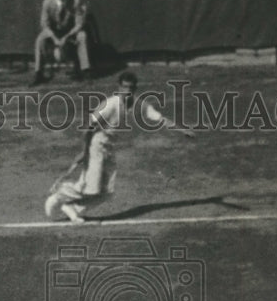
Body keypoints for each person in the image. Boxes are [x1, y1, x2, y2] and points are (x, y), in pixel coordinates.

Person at [44, 71, 193, 223]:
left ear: (135, 89)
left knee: (107, 192)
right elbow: (89, 126)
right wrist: (85, 150)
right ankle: (57, 196)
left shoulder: (139, 104)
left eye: (130, 88)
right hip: (96, 145)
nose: (127, 91)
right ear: (119, 87)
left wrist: (181, 129)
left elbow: (160, 118)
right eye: (124, 87)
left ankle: (73, 209)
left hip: (109, 149)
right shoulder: (110, 104)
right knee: (90, 187)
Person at [32, 0, 91, 85]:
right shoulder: (47, 2)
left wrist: (66, 37)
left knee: (82, 35)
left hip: (69, 31)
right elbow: (44, 24)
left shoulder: (75, 1)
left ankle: (85, 72)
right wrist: (54, 38)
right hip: (54, 32)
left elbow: (79, 24)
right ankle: (38, 74)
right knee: (40, 39)